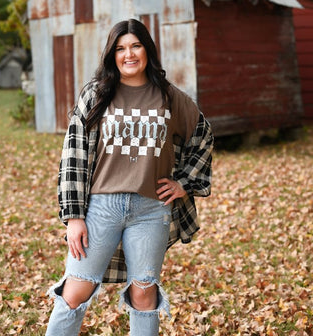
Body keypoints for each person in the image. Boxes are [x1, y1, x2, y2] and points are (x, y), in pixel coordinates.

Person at [45, 19, 213, 336]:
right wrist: (74, 217)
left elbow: (202, 136)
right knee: (75, 290)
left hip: (151, 210)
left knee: (144, 293)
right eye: (120, 48)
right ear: (113, 55)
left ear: (147, 50)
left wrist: (184, 184)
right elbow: (73, 155)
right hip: (100, 208)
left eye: (135, 46)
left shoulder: (170, 97)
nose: (129, 54)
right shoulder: (95, 95)